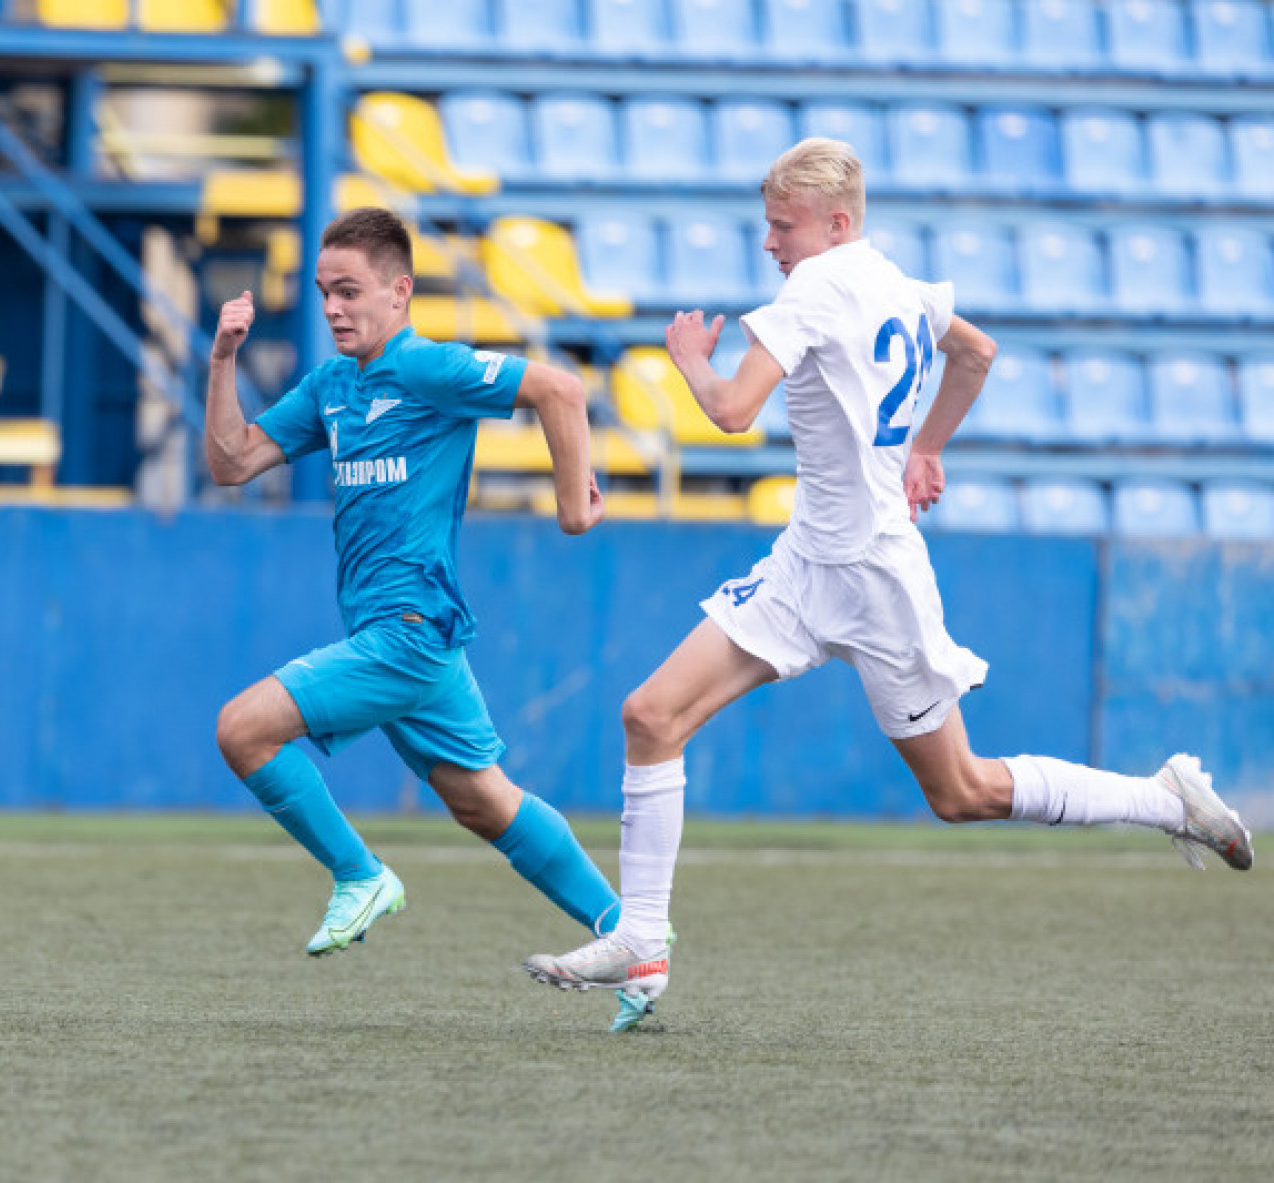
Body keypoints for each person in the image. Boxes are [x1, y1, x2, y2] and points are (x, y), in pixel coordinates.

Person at [523, 138, 1255, 1027]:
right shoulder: (899, 284)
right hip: (808, 561)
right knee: (651, 714)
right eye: (766, 225)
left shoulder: (819, 285)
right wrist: (929, 447)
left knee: (963, 791)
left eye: (781, 225)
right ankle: (641, 935)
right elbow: (977, 352)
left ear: (835, 223)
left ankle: (1163, 798)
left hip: (870, 573)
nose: (769, 243)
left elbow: (728, 409)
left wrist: (688, 354)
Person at [209, 207, 634, 1010]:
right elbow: (232, 460)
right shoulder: (332, 384)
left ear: (400, 293)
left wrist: (575, 506)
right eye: (324, 293)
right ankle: (632, 935)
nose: (334, 308)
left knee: (242, 727)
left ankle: (360, 875)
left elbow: (559, 386)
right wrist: (223, 359)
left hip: (409, 630)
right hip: (405, 638)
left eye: (351, 291)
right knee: (483, 800)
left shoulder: (428, 368)